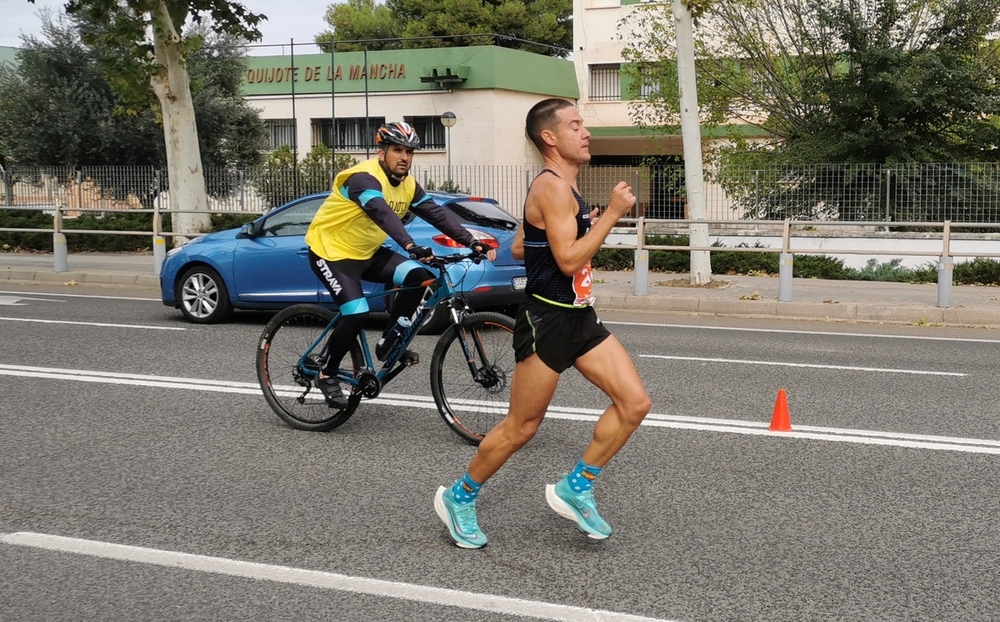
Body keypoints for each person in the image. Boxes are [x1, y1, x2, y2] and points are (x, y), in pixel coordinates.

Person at [434, 98, 652, 548]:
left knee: (634, 404)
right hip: (547, 321)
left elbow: (519, 248)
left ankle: (577, 486)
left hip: (580, 319)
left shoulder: (562, 191)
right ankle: (460, 497)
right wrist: (611, 214)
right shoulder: (552, 188)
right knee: (521, 428)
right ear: (549, 138)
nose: (585, 132)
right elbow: (569, 261)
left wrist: (573, 224)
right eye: (575, 125)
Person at [305, 121, 493, 409]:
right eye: (397, 150)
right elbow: (382, 213)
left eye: (409, 151)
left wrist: (471, 241)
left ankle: (389, 342)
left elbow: (436, 214)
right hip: (331, 253)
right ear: (382, 152)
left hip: (366, 252)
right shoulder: (363, 179)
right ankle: (326, 372)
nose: (404, 157)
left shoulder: (407, 185)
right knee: (356, 313)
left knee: (420, 278)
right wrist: (409, 245)